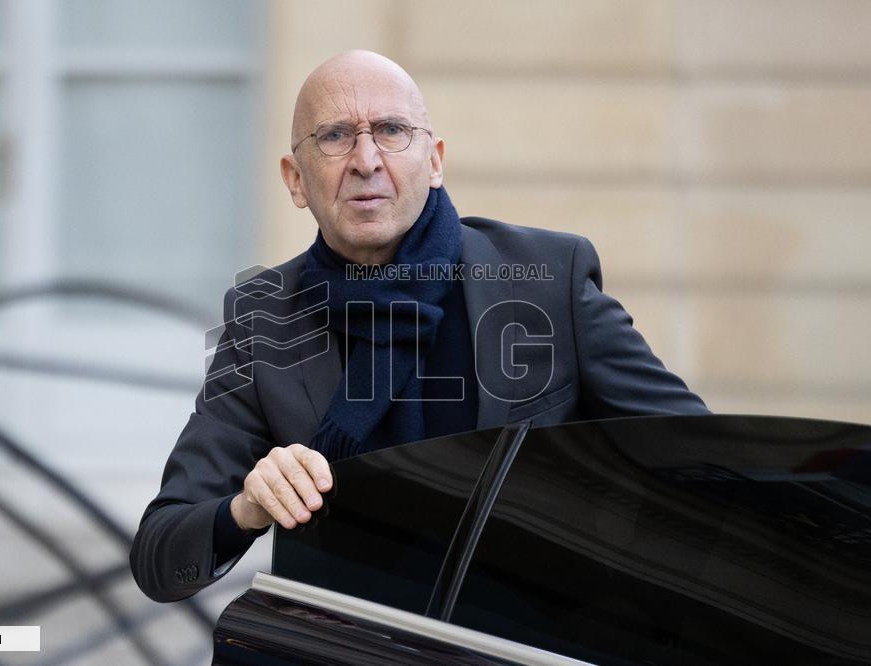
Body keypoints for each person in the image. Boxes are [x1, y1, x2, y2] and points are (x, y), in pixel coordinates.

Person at [130, 50, 709, 603]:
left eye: (391, 130)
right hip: (345, 648)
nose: (366, 159)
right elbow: (160, 557)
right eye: (333, 136)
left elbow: (701, 463)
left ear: (434, 160)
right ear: (295, 179)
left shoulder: (548, 280)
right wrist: (247, 508)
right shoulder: (264, 316)